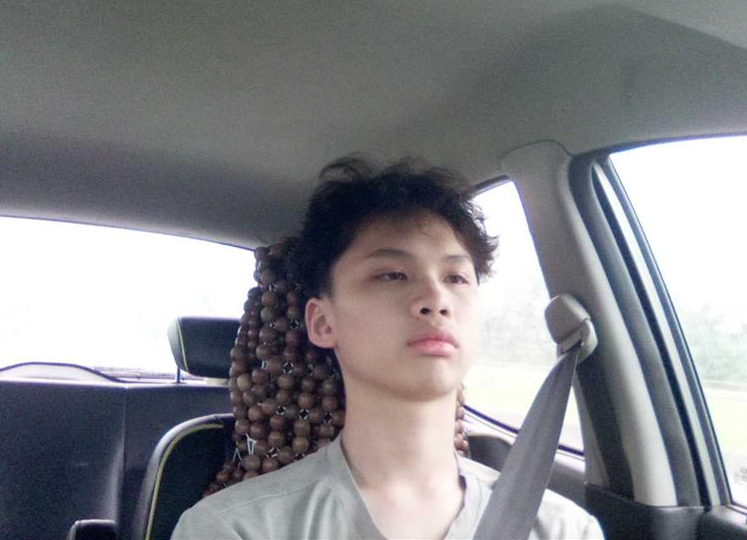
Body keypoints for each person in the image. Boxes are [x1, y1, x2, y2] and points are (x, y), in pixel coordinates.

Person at [171, 158, 603, 539]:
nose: (436, 299)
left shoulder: (564, 529)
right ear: (323, 322)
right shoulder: (235, 529)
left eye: (456, 277)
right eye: (392, 275)